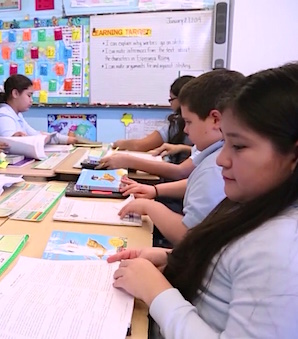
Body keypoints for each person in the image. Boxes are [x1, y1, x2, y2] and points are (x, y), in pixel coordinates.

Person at [108, 63, 298, 338]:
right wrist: (171, 259)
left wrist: (156, 291)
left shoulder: (281, 249)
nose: (221, 159)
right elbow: (226, 268)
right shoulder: (256, 204)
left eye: (239, 146)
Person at [117, 69, 244, 245]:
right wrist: (155, 191)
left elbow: (188, 236)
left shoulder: (214, 167)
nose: (185, 130)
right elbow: (196, 183)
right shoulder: (214, 156)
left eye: (189, 122)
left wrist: (150, 206)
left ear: (215, 120)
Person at [112, 75, 195, 164]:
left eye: (171, 99)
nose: (186, 129)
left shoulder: (176, 125)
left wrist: (119, 144)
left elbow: (139, 146)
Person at [0, 74, 77, 144]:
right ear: (15, 94)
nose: (31, 100)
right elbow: (10, 145)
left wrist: (70, 140)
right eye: (29, 95)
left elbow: (35, 134)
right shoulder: (3, 116)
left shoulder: (17, 115)